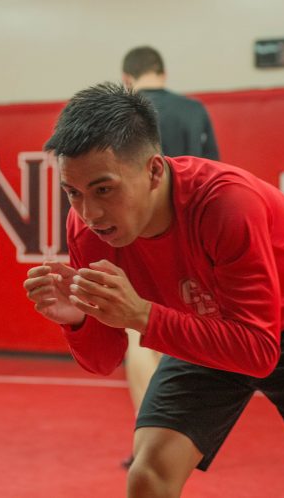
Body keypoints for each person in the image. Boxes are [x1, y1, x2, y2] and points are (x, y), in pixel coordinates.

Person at [23, 83, 284, 497]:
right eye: (73, 193)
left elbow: (257, 351)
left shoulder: (226, 204)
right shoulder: (88, 229)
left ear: (153, 170)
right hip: (204, 325)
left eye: (104, 190)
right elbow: (104, 357)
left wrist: (143, 317)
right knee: (148, 475)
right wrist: (78, 319)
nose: (89, 213)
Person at [120, 46, 221, 466]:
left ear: (128, 78)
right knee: (181, 334)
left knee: (139, 334)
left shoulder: (122, 113)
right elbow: (214, 180)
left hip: (136, 238)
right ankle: (180, 436)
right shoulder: (195, 111)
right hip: (190, 241)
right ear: (162, 72)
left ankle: (151, 440)